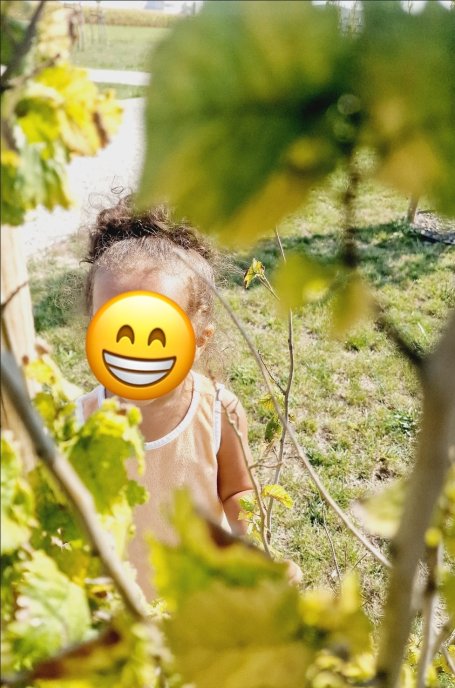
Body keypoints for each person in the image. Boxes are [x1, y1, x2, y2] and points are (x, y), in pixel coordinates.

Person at [76, 195, 301, 599]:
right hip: (117, 605)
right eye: (116, 331)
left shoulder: (218, 412)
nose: (137, 352)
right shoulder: (80, 423)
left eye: (159, 335)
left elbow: (237, 491)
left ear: (199, 340)